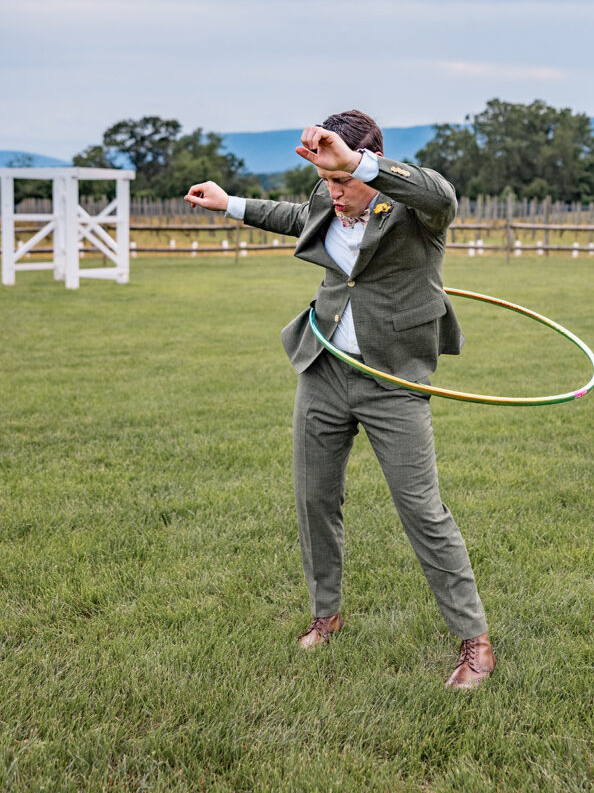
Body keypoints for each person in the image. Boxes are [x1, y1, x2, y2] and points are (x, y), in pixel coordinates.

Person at [185, 110, 494, 689]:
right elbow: (298, 217)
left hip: (395, 379)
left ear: (367, 166)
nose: (334, 193)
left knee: (422, 509)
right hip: (322, 368)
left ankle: (475, 641)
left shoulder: (416, 208)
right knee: (314, 499)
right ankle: (326, 617)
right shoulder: (328, 196)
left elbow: (441, 193)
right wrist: (228, 203)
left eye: (343, 181)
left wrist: (356, 167)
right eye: (327, 181)